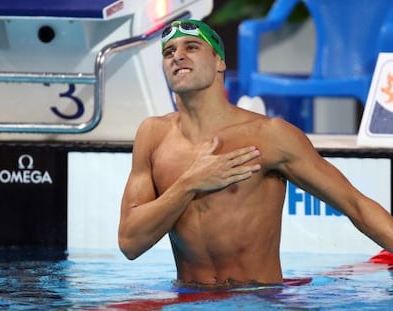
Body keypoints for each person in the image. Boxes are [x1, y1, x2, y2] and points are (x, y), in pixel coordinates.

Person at [118, 19, 393, 289]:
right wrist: (189, 184)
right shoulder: (153, 135)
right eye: (169, 52)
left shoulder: (269, 136)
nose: (177, 56)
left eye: (191, 47)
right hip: (188, 296)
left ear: (219, 63)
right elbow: (130, 243)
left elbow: (355, 205)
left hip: (257, 298)